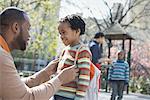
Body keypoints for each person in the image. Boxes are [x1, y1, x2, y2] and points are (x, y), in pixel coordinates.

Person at [0, 7, 79, 100]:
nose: (29, 35)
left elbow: (13, 88)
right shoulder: (2, 57)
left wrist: (44, 74)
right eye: (28, 29)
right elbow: (25, 97)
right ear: (16, 27)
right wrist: (60, 79)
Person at [53, 14, 91, 100]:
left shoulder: (82, 51)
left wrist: (78, 98)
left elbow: (84, 78)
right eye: (60, 33)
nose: (61, 37)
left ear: (77, 31)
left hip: (69, 97)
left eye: (64, 32)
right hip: (56, 94)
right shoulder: (65, 50)